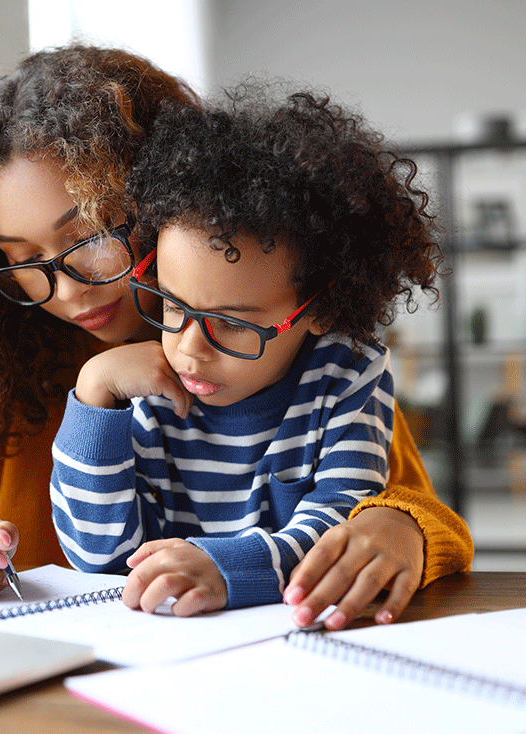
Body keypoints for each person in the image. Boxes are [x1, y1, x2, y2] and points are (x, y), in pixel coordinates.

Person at [0, 45, 472, 629]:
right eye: (25, 261)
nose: (66, 291)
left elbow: (404, 502)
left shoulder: (282, 352)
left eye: (89, 238)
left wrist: (403, 527)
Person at [52, 84, 440, 619]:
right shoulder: (147, 384)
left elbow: (338, 531)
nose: (189, 348)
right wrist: (94, 394)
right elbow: (98, 556)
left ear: (319, 309)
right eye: (171, 305)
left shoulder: (347, 375)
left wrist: (227, 568)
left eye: (231, 324)